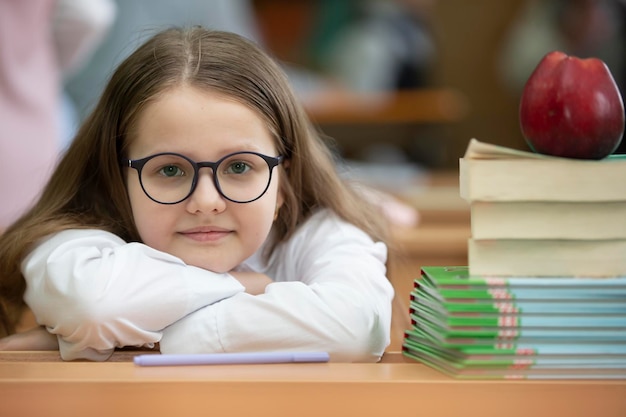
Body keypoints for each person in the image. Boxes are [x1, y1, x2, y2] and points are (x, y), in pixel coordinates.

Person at [0, 27, 394, 362]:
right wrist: (248, 285)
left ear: (282, 185)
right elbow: (94, 306)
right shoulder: (76, 243)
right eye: (170, 170)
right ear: (119, 180)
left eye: (239, 167)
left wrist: (139, 340)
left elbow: (362, 325)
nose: (206, 201)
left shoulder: (319, 232)